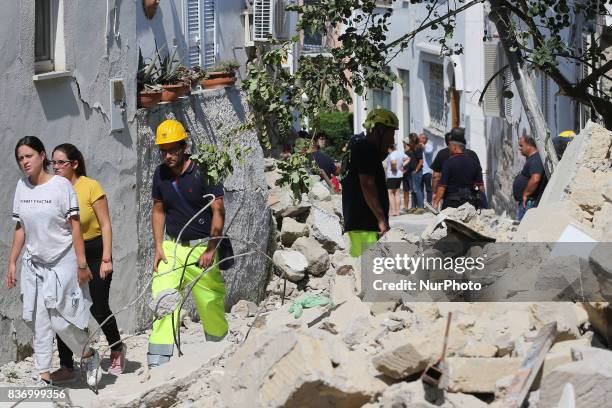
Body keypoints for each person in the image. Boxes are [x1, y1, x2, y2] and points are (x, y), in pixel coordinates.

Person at [7, 136, 102, 387]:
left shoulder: (60, 186)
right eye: (20, 158)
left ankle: (89, 356)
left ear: (42, 156)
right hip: (34, 264)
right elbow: (20, 227)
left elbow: (75, 228)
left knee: (62, 321)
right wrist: (13, 262)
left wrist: (82, 265)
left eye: (28, 156)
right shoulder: (21, 186)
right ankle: (43, 375)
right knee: (39, 322)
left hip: (62, 262)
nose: (24, 162)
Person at [148, 119, 228, 367]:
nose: (168, 155)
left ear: (184, 147)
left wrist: (211, 248)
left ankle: (220, 350)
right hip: (172, 247)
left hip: (202, 247)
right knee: (163, 297)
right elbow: (158, 210)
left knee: (210, 300)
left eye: (173, 149)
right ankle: (158, 361)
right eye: (163, 150)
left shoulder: (204, 170)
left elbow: (218, 210)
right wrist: (159, 246)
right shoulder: (160, 174)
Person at [49, 144, 126, 382]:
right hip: (67, 255)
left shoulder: (90, 186)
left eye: (61, 162)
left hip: (94, 252)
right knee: (64, 309)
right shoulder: (53, 189)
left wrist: (106, 259)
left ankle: (116, 348)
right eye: (53, 162)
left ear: (74, 164)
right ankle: (66, 366)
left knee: (98, 306)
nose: (56, 167)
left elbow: (105, 225)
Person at [341, 108, 398, 257]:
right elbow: (367, 184)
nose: (392, 140)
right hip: (366, 224)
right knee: (366, 270)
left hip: (358, 223)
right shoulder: (366, 149)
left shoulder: (357, 147)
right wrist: (381, 219)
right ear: (379, 131)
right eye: (391, 134)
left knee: (360, 268)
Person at [432, 132, 484, 210]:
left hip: (451, 202)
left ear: (455, 147)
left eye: (450, 146)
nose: (448, 148)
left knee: (448, 222)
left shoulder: (448, 162)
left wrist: (435, 202)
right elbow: (481, 187)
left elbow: (441, 185)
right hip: (470, 202)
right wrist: (483, 204)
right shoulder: (474, 161)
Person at [430, 128, 481, 193]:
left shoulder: (442, 154)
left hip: (450, 195)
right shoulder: (472, 154)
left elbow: (436, 177)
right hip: (469, 194)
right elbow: (478, 174)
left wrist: (434, 192)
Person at [512, 134, 548, 221]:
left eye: (521, 145)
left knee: (523, 229)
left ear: (529, 145)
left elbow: (535, 179)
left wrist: (525, 194)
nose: (519, 148)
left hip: (529, 202)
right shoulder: (532, 158)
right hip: (527, 202)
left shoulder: (536, 158)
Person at [385, 144, 407, 216]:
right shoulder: (400, 153)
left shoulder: (392, 154)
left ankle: (393, 211)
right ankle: (397, 211)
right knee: (397, 193)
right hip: (399, 175)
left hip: (392, 176)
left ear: (389, 148)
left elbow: (393, 162)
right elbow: (408, 158)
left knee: (390, 193)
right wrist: (402, 165)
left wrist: (394, 169)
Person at [406, 133, 424, 211]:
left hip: (416, 172)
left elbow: (421, 161)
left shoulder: (418, 149)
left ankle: (420, 207)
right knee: (412, 190)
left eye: (410, 141)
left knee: (417, 189)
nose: (409, 142)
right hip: (410, 172)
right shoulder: (411, 149)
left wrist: (416, 170)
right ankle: (413, 206)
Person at [419, 134, 434, 204]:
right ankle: (421, 204)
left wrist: (423, 147)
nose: (421, 139)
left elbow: (428, 152)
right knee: (420, 189)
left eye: (423, 138)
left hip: (427, 171)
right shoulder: (418, 147)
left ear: (426, 139)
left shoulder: (429, 146)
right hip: (419, 171)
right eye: (420, 138)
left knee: (428, 189)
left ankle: (429, 203)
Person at [401, 137, 412, 212]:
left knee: (413, 191)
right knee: (406, 191)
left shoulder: (411, 152)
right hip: (405, 174)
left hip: (410, 173)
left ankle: (414, 206)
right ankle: (406, 207)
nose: (403, 144)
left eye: (404, 143)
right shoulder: (405, 152)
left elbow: (411, 163)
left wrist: (405, 170)